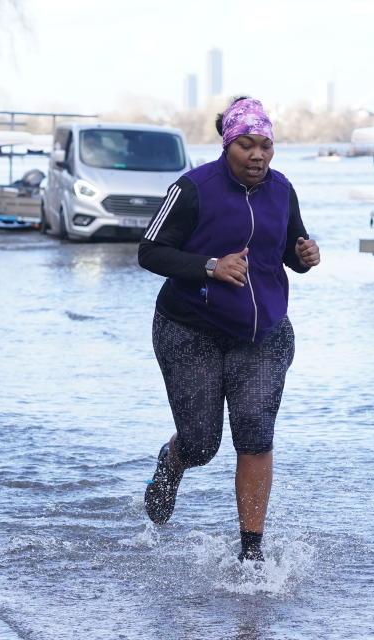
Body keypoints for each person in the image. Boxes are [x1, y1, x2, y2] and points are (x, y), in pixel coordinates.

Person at [138, 97, 320, 562]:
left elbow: (287, 249)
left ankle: (251, 553)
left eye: (266, 146)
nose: (258, 155)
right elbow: (150, 253)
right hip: (190, 329)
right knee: (202, 443)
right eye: (246, 145)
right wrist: (210, 266)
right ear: (228, 144)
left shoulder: (281, 190)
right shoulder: (193, 188)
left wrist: (303, 257)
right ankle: (172, 463)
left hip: (262, 335)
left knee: (256, 432)